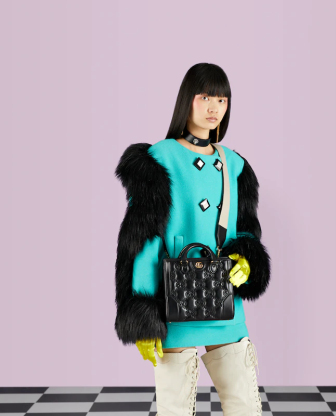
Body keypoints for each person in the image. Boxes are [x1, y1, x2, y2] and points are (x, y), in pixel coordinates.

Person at [114, 63, 271, 415]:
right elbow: (144, 242)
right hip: (173, 303)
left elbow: (246, 230)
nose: (214, 108)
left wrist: (247, 259)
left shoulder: (236, 165)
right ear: (187, 99)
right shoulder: (159, 158)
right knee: (175, 408)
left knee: (245, 405)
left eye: (222, 100)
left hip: (224, 299)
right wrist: (142, 314)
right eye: (205, 97)